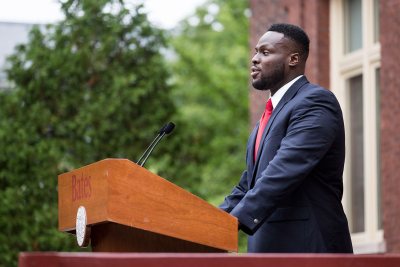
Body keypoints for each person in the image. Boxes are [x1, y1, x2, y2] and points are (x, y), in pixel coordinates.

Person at [220, 23, 353, 253]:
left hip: (307, 248)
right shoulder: (271, 113)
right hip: (269, 248)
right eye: (255, 51)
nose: (254, 59)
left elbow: (284, 170)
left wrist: (236, 220)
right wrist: (211, 221)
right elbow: (249, 182)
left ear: (293, 59)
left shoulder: (315, 102)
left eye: (265, 52)